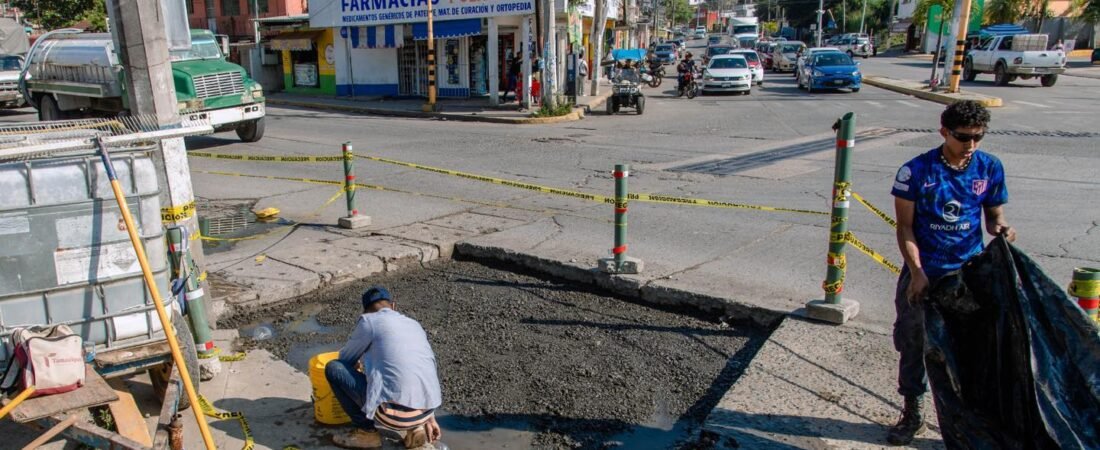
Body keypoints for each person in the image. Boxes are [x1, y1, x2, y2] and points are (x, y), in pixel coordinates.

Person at [887, 100, 1015, 445]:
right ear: (944, 132)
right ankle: (912, 410)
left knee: (968, 348)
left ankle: (966, 418)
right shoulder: (917, 171)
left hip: (968, 276)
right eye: (963, 137)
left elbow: (993, 214)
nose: (970, 145)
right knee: (914, 343)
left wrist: (1000, 227)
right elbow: (905, 228)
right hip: (925, 272)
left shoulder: (989, 168)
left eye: (978, 137)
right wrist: (917, 273)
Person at [326, 286, 443, 449]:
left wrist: (357, 365)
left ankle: (366, 433)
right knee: (400, 370)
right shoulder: (414, 324)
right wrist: (429, 417)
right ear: (393, 306)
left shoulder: (368, 322)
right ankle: (415, 429)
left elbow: (345, 359)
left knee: (334, 368)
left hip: (393, 416)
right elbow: (421, 370)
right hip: (426, 408)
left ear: (365, 312)